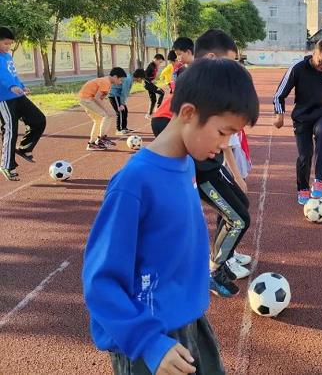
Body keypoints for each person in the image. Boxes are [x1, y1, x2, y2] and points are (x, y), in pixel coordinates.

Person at [83, 58, 259, 375]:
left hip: (189, 320)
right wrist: (147, 341)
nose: (222, 146)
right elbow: (101, 280)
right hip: (149, 336)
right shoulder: (134, 183)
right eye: (222, 132)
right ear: (189, 113)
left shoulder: (185, 164)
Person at [151, 30, 255, 298]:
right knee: (238, 218)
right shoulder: (195, 83)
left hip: (209, 163)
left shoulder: (207, 84)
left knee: (240, 209)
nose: (234, 69)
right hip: (200, 168)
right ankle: (214, 269)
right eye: (230, 62)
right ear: (211, 58)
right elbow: (162, 121)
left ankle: (219, 261)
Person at [273, 39, 322, 205]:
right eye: (321, 61)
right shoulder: (298, 67)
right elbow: (279, 94)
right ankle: (303, 188)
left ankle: (319, 180)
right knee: (305, 155)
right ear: (314, 53)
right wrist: (279, 115)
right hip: (302, 116)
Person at [0, 26, 47, 181]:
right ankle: (7, 165)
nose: (8, 47)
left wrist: (20, 85)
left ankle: (25, 148)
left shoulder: (7, 56)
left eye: (10, 44)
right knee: (10, 129)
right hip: (4, 98)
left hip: (16, 95)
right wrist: (11, 86)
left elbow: (12, 74)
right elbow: (2, 76)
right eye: (5, 43)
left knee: (39, 120)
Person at [78, 68, 126, 151]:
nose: (121, 82)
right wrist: (108, 110)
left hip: (87, 98)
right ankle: (101, 139)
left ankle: (92, 143)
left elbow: (101, 98)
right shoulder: (106, 82)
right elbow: (97, 98)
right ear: (115, 77)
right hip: (87, 98)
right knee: (106, 116)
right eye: (120, 80)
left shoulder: (108, 83)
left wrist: (112, 109)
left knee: (99, 120)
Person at [109, 69, 145, 135]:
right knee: (120, 112)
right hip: (114, 95)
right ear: (139, 77)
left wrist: (123, 103)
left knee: (125, 111)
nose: (142, 81)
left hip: (119, 95)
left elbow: (125, 93)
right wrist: (122, 104)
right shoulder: (128, 80)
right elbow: (124, 92)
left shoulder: (130, 79)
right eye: (142, 79)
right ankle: (119, 130)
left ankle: (124, 128)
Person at [144, 54, 165, 118]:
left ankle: (149, 114)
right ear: (156, 59)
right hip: (148, 84)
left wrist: (153, 80)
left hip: (150, 84)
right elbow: (144, 76)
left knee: (153, 99)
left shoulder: (154, 65)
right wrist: (151, 80)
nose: (160, 64)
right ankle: (157, 110)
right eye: (160, 62)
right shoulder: (150, 66)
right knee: (162, 92)